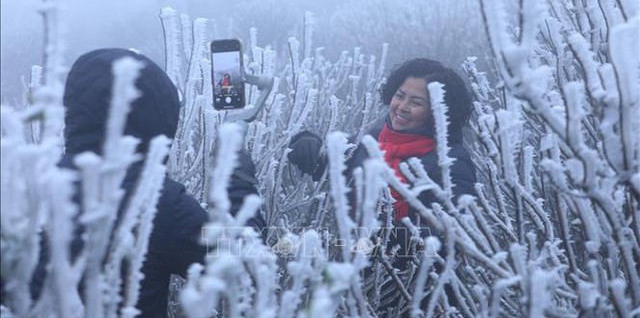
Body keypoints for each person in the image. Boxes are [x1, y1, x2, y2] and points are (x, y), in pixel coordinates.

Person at [30, 48, 265, 317]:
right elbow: (242, 255)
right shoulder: (157, 203)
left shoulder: (23, 191)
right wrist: (235, 175)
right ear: (156, 116)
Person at [287, 58, 476, 311]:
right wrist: (305, 142)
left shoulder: (451, 162)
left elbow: (450, 240)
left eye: (416, 102)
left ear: (439, 112)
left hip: (414, 297)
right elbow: (330, 165)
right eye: (400, 95)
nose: (402, 107)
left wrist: (382, 234)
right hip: (353, 284)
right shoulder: (373, 139)